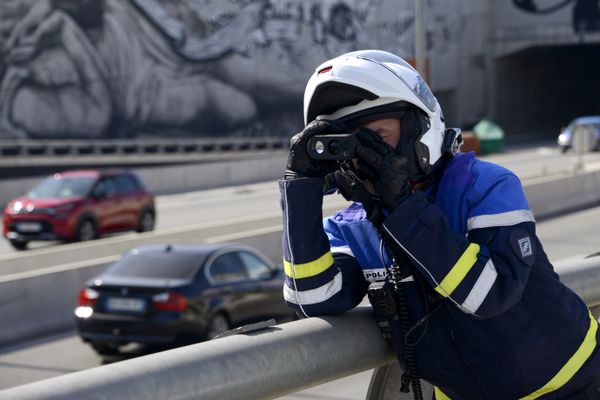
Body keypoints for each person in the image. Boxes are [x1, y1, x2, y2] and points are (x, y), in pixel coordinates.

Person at [279, 49, 600, 399]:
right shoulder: (350, 228)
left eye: (378, 138)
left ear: (419, 127)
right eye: (351, 145)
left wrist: (401, 207)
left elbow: (491, 294)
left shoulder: (483, 186)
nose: (366, 157)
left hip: (571, 384)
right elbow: (313, 298)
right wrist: (301, 188)